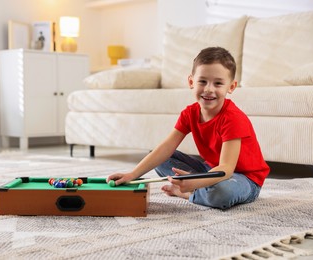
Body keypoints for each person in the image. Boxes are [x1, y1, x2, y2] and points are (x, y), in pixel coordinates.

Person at [107, 47, 270, 210]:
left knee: (221, 193)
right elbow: (166, 147)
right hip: (211, 169)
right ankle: (195, 187)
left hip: (244, 179)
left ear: (231, 87)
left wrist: (196, 182)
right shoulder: (190, 113)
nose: (209, 89)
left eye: (218, 83)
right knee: (159, 158)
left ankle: (186, 193)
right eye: (203, 81)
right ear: (191, 82)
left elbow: (227, 169)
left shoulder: (233, 118)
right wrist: (133, 174)